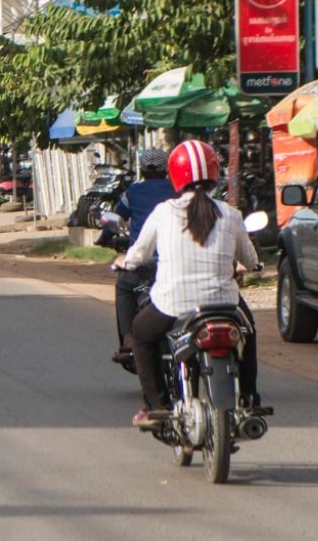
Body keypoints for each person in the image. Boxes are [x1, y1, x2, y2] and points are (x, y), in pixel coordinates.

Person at [114, 139, 261, 426]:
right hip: (224, 304)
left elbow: (138, 254)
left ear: (175, 176)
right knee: (249, 332)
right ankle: (249, 398)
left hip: (173, 303)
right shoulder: (230, 213)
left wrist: (126, 262)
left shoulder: (163, 212)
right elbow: (251, 259)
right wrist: (253, 266)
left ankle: (156, 406)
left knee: (141, 334)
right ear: (214, 174)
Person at [108, 148, 171, 366]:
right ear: (166, 170)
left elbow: (116, 217)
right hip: (175, 260)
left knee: (124, 286)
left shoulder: (133, 192)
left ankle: (128, 342)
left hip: (143, 262)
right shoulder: (178, 191)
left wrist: (104, 237)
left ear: (142, 170)